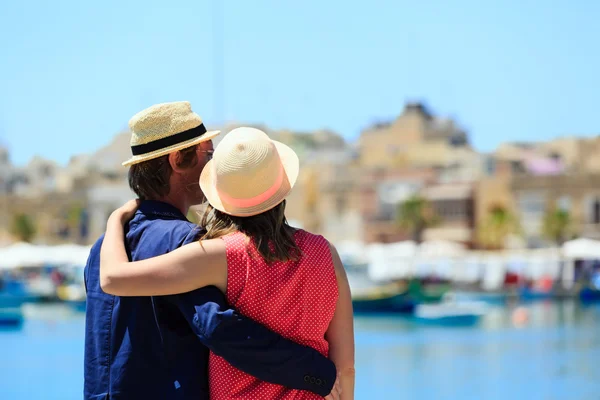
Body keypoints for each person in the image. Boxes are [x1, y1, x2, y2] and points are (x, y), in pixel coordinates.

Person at [84, 102, 341, 400]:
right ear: (178, 160)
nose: (215, 166)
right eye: (209, 155)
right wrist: (317, 371)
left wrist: (115, 219)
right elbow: (219, 328)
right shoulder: (187, 240)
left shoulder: (103, 249)